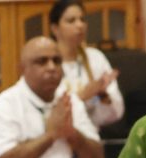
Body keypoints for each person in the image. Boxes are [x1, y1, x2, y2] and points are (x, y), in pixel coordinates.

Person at [48, 0, 123, 130]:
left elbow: (116, 113)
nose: (80, 25)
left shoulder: (95, 58)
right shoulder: (47, 63)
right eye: (71, 21)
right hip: (58, 141)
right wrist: (83, 96)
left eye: (82, 19)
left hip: (91, 137)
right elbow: (48, 112)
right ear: (55, 28)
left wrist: (103, 97)